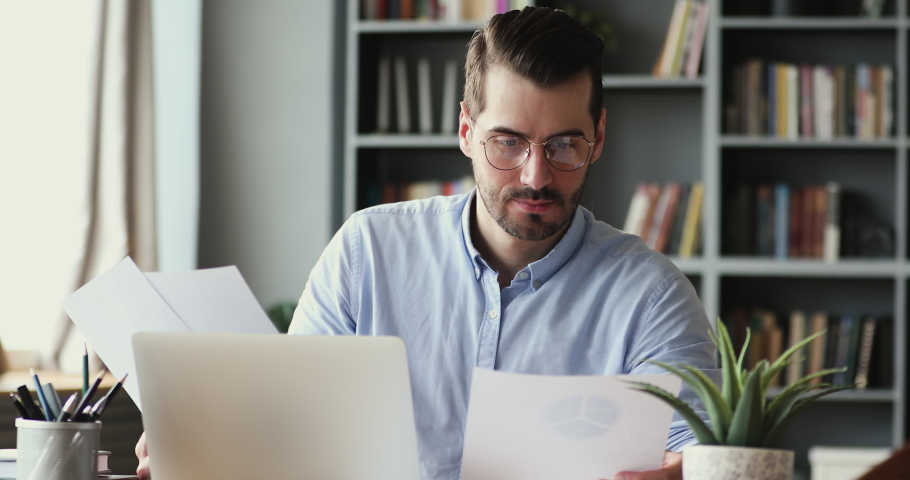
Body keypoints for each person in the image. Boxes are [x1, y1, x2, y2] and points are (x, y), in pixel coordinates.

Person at [135, 7, 715, 480]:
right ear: (465, 131)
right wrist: (198, 449)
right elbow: (287, 427)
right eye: (507, 143)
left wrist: (686, 471)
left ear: (599, 137)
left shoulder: (652, 295)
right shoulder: (368, 252)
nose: (536, 176)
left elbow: (699, 454)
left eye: (564, 145)